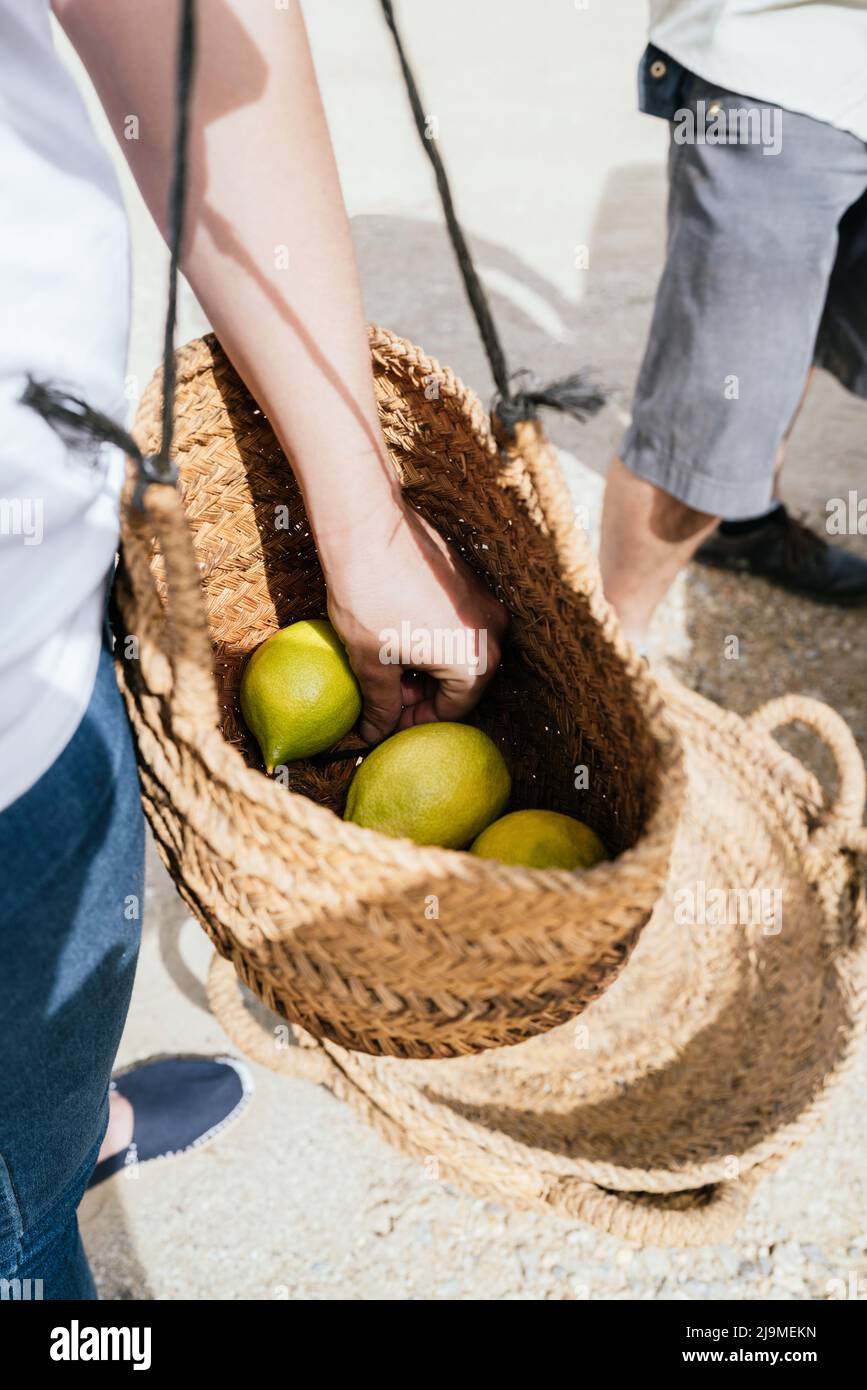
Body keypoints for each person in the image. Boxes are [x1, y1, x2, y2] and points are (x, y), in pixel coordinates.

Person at [0, 0, 504, 1300]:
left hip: (39, 658)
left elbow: (166, 27)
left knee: (39, 1031)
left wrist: (364, 521)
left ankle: (61, 1138)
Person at [599, 0, 867, 649]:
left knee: (801, 328)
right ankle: (607, 653)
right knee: (709, 415)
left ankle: (741, 526)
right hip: (777, 63)